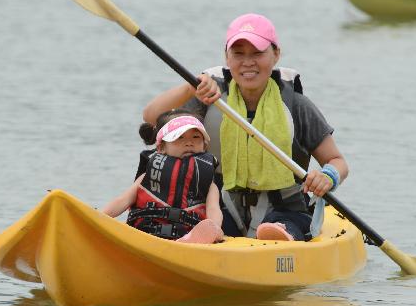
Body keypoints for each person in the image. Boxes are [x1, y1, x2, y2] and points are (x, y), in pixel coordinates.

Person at [142, 13, 348, 242]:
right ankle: (204, 240)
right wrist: (191, 87)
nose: (248, 62)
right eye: (238, 54)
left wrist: (327, 176)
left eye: (258, 53)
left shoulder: (296, 105)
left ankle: (278, 237)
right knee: (203, 223)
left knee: (278, 227)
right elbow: (152, 117)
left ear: (276, 54)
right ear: (226, 57)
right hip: (220, 209)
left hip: (286, 210)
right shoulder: (210, 97)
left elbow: (337, 161)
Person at [101, 111, 224, 244]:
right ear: (161, 148)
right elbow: (122, 201)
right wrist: (99, 217)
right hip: (146, 234)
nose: (189, 143)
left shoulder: (209, 184)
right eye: (180, 138)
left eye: (196, 137)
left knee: (209, 228)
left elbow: (213, 209)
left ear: (204, 146)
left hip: (188, 236)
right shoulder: (146, 177)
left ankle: (194, 239)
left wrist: (215, 228)